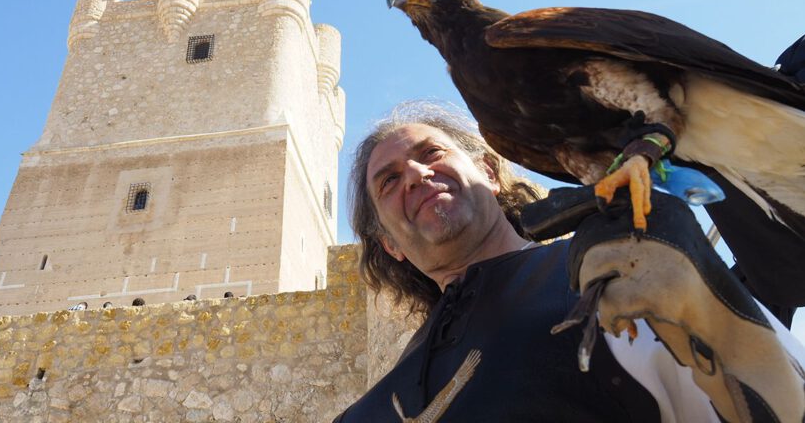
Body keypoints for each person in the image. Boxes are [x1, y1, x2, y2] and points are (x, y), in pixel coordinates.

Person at [334, 102, 805, 423]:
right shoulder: (370, 409)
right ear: (389, 245)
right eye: (389, 181)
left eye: (431, 152)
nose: (415, 174)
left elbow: (780, 398)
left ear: (490, 174)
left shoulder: (618, 270)